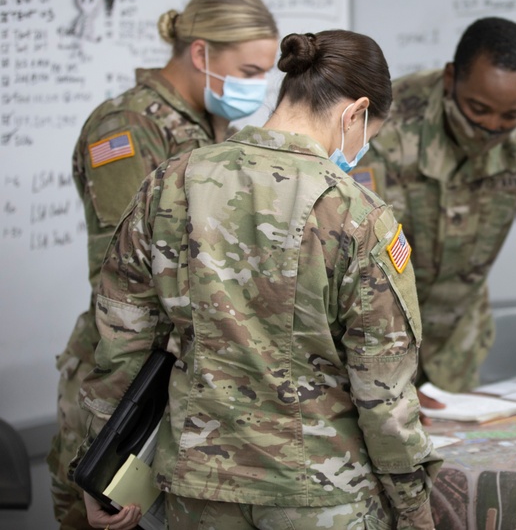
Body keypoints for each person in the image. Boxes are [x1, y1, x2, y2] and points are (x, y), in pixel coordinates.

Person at [79, 30, 441, 529]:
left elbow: (120, 342)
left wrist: (100, 468)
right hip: (319, 496)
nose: (362, 149)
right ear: (355, 114)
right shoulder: (358, 215)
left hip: (197, 490)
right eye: (369, 135)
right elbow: (384, 393)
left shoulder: (170, 184)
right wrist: (414, 509)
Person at [48, 0, 280, 529]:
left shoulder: (217, 129)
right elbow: (123, 274)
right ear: (201, 53)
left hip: (187, 379)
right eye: (248, 72)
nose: (258, 87)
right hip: (126, 383)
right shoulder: (127, 129)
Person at [355, 17, 516, 408]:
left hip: (457, 349)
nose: (492, 128)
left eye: (509, 116)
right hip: (373, 349)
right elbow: (359, 265)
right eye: (478, 109)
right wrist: (382, 382)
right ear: (450, 79)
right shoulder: (388, 127)